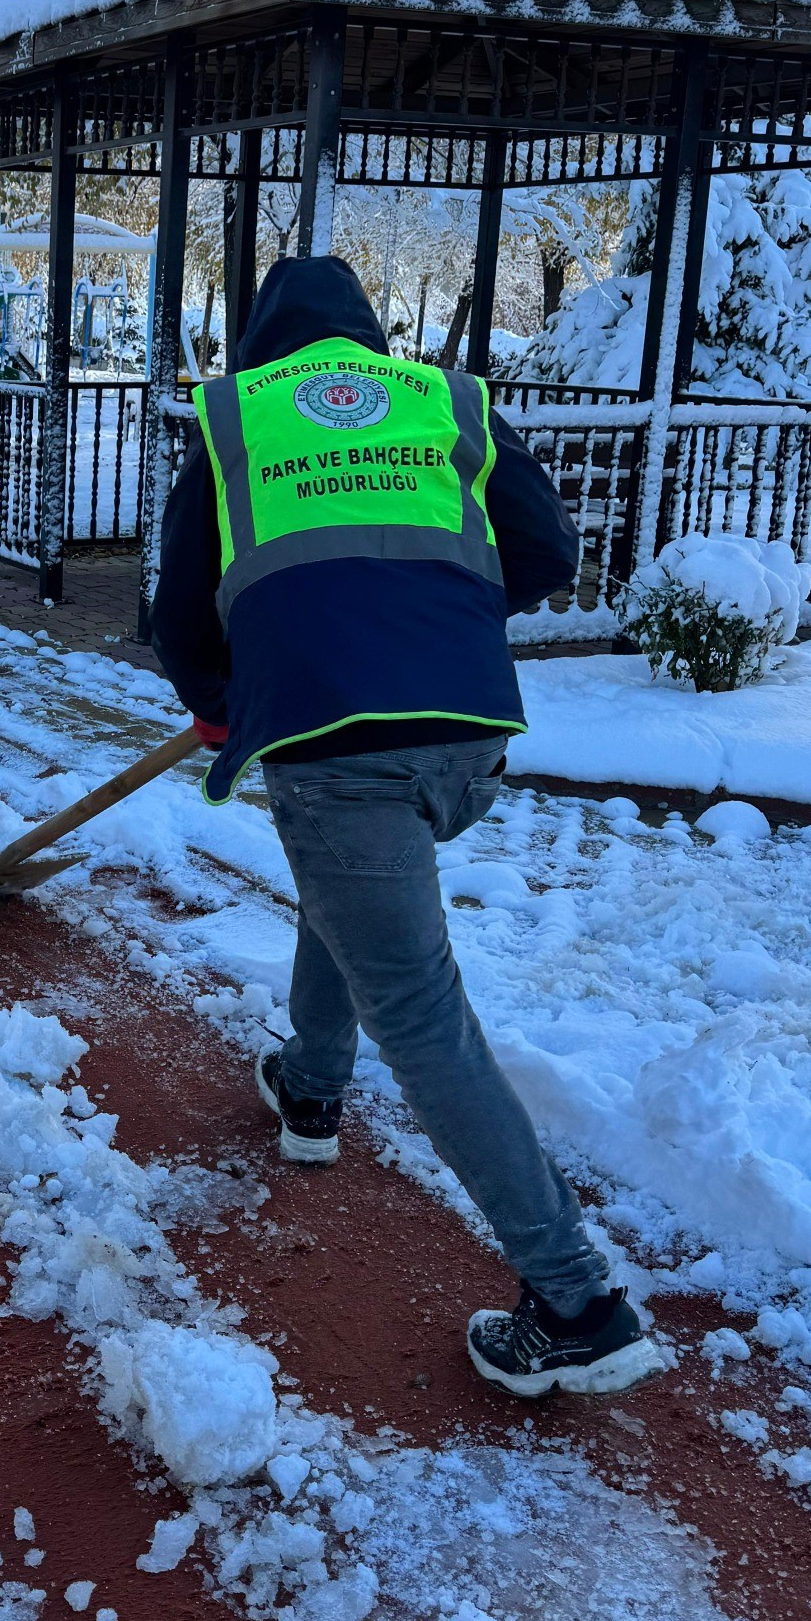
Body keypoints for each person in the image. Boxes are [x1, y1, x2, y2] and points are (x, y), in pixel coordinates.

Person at [152, 255, 663, 1399]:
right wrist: (433, 622)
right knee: (348, 897)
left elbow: (179, 612)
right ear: (366, 336)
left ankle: (575, 1300)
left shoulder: (236, 419)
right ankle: (312, 1086)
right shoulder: (444, 400)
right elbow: (548, 552)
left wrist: (221, 695)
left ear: (263, 340)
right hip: (471, 735)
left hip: (337, 748)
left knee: (421, 1010)